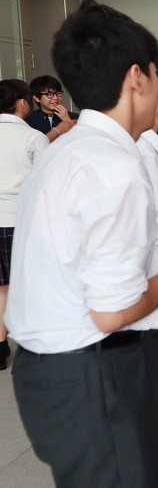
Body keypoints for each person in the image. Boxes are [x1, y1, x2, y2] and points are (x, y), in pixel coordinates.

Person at [5, 0, 158, 488]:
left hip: (57, 371)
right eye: (156, 72)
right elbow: (112, 312)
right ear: (136, 78)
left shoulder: (68, 148)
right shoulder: (114, 165)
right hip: (89, 372)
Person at [0, 79, 49, 371]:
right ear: (22, 102)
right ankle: (35, 342)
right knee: (28, 283)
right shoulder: (33, 137)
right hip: (18, 220)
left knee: (1, 287)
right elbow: (45, 184)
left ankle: (0, 345)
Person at [24, 75, 79, 141]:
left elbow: (82, 142)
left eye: (58, 93)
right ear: (37, 98)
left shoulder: (75, 117)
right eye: (50, 94)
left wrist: (68, 121)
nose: (56, 98)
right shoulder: (29, 120)